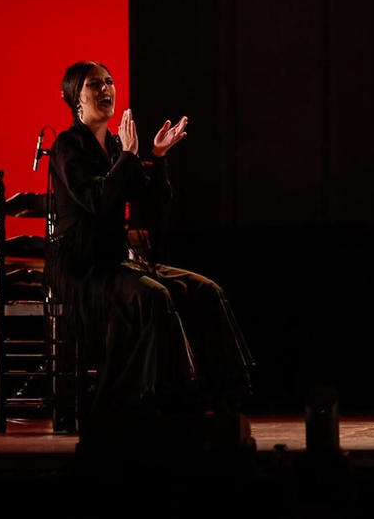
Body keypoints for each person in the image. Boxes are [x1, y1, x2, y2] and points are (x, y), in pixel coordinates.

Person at [47, 61, 252, 413]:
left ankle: (221, 394)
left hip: (115, 261)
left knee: (205, 289)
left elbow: (152, 205)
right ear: (75, 98)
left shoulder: (114, 146)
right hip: (83, 267)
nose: (106, 89)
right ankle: (158, 399)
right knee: (154, 296)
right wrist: (128, 156)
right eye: (95, 84)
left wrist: (157, 157)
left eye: (109, 82)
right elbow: (97, 201)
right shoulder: (67, 147)